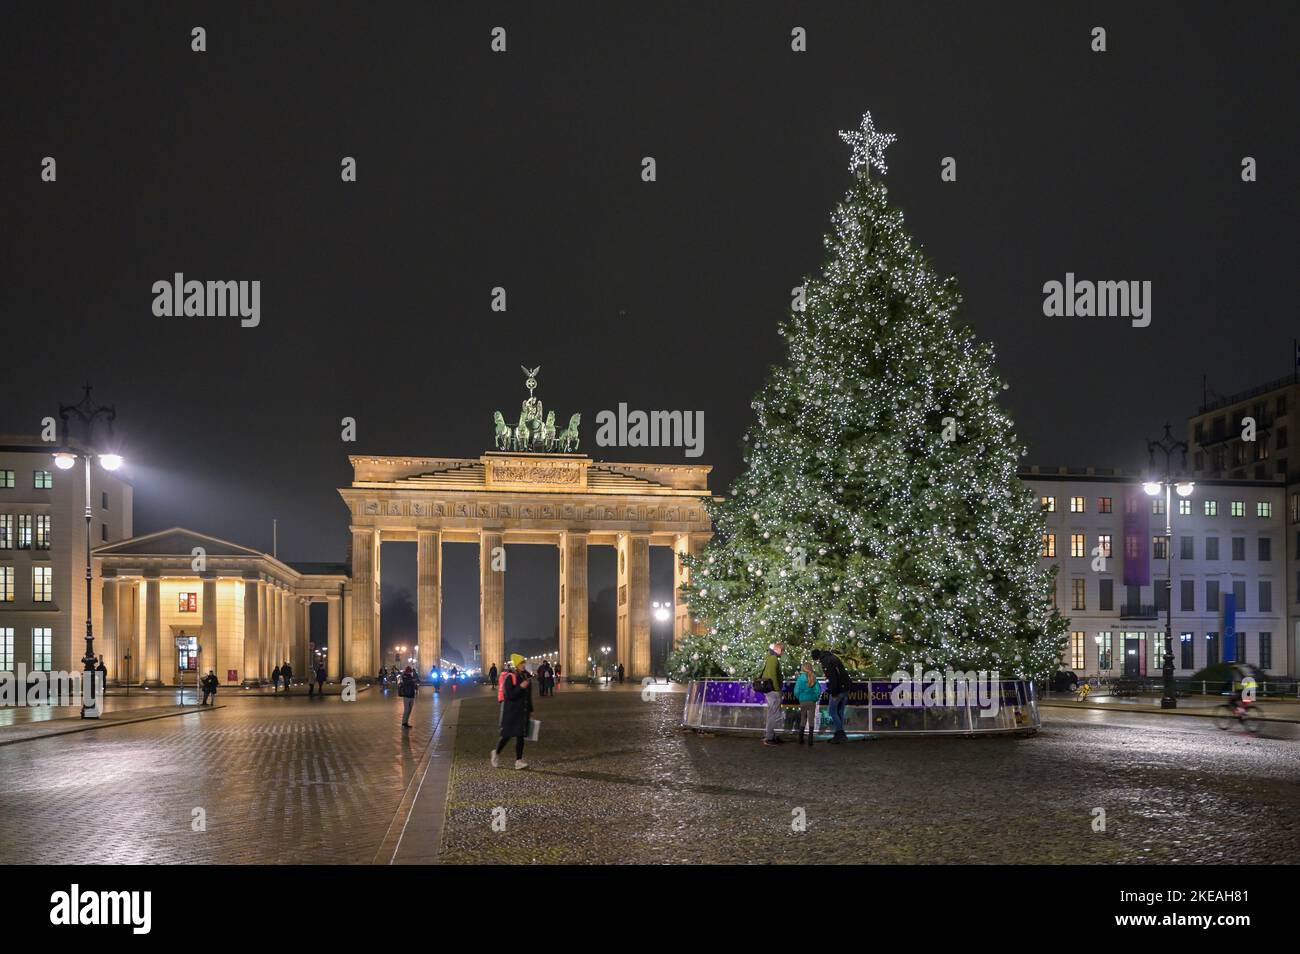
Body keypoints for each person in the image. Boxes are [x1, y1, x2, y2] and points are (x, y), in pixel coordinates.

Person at [492, 655, 534, 770]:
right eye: (521, 663)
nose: (523, 665)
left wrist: (530, 710)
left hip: (522, 711)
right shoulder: (510, 677)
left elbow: (528, 696)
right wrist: (520, 687)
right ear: (516, 665)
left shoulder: (526, 676)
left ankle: (518, 761)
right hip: (511, 712)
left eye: (524, 663)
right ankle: (496, 753)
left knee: (520, 736)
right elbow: (509, 695)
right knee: (507, 736)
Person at [812, 648, 851, 743]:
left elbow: (833, 677)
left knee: (832, 711)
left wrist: (834, 692)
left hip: (838, 689)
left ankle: (840, 733)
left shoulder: (826, 661)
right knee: (840, 711)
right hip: (845, 687)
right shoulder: (832, 657)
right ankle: (840, 734)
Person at [759, 642, 785, 746]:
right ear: (779, 649)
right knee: (774, 714)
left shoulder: (769, 658)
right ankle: (770, 737)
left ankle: (769, 735)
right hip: (773, 690)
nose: (783, 654)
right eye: (783, 651)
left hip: (769, 690)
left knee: (771, 713)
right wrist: (778, 689)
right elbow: (773, 674)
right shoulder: (774, 659)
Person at [794, 660, 821, 746]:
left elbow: (796, 691)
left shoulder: (800, 678)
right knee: (811, 720)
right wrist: (815, 698)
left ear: (803, 668)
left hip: (803, 701)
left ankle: (800, 739)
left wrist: (800, 698)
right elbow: (818, 691)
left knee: (803, 719)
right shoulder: (814, 677)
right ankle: (810, 740)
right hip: (812, 701)